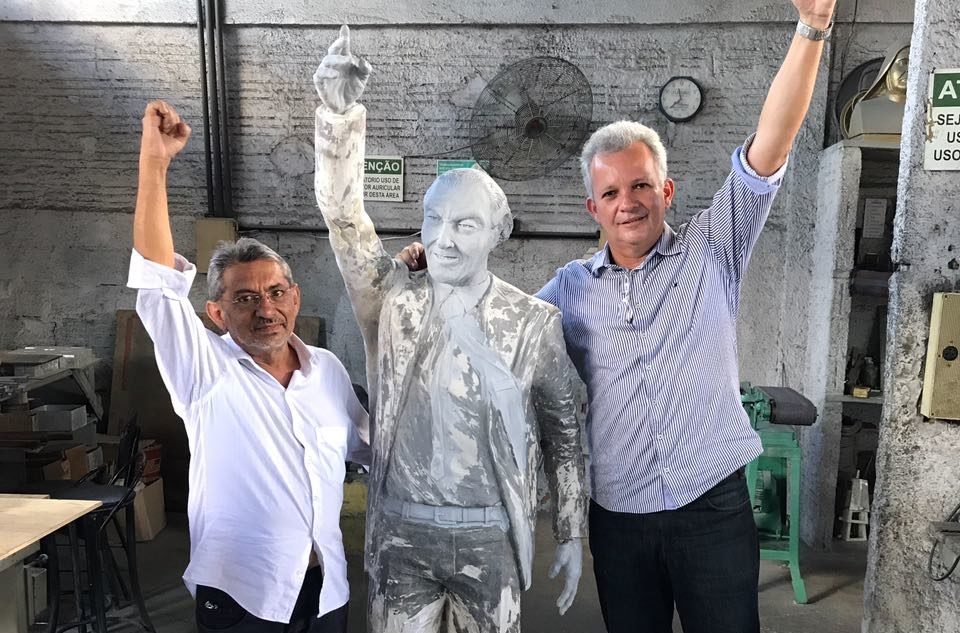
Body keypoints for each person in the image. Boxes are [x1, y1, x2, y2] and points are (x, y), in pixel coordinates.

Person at [399, 1, 838, 631]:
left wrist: (813, 27)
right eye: (610, 193)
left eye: (639, 186)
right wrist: (424, 275)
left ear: (666, 191)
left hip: (709, 503)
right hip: (619, 515)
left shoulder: (714, 250)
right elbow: (483, 339)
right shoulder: (565, 291)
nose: (626, 203)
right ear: (592, 208)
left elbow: (771, 144)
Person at [313, 26, 587, 633]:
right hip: (402, 535)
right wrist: (339, 114)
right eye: (434, 220)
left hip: (490, 537)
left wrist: (571, 532)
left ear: (497, 233)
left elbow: (565, 432)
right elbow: (342, 219)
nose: (442, 237)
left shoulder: (533, 323)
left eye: (465, 224)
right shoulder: (389, 304)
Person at [128, 99, 370, 633]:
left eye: (276, 292)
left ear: (295, 299)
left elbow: (375, 448)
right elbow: (156, 282)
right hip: (243, 594)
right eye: (245, 299)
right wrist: (155, 163)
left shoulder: (326, 371)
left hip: (326, 589)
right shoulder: (204, 372)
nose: (266, 308)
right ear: (216, 312)